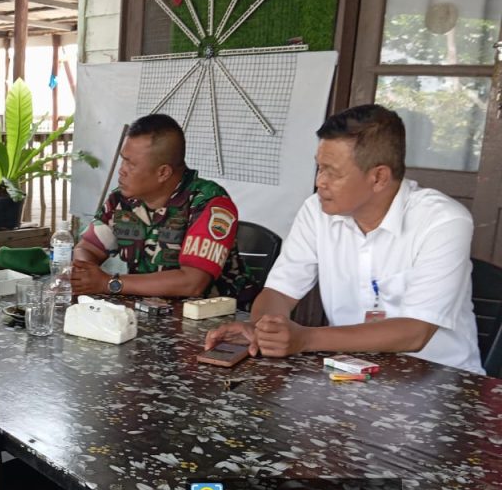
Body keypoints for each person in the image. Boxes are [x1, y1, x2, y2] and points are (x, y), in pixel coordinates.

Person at [206, 104, 483, 374]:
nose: (319, 181)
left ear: (379, 178)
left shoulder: (442, 221)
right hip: (347, 371)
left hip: (442, 380)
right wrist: (263, 330)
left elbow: (415, 331)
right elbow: (279, 292)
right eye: (319, 168)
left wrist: (306, 339)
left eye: (332, 172)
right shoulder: (316, 211)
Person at [71, 113, 251, 299]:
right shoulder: (122, 200)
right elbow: (87, 248)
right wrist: (85, 273)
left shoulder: (208, 202)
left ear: (163, 173)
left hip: (215, 314)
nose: (121, 170)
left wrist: (109, 283)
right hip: (144, 310)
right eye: (123, 159)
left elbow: (192, 283)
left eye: (131, 164)